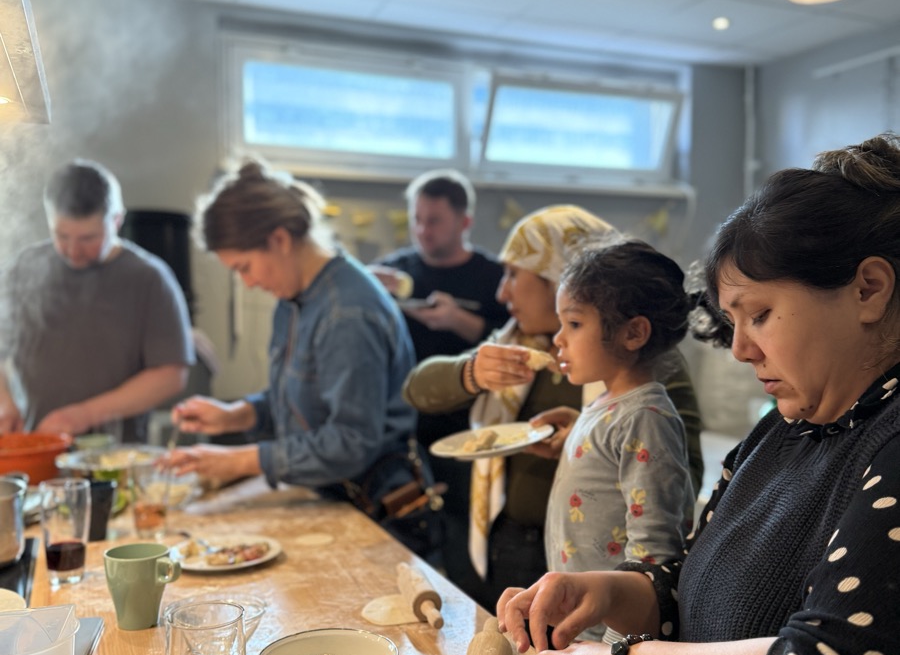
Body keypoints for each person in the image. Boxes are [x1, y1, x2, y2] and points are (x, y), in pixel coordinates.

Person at [498, 134, 900, 655]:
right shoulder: (785, 425)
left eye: (760, 314)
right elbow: (699, 592)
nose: (741, 348)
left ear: (870, 288)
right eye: (732, 319)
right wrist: (613, 593)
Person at [403, 205, 703, 609]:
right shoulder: (519, 341)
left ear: (555, 276)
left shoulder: (645, 371)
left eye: (513, 274)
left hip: (597, 573)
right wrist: (471, 372)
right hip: (521, 543)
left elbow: (671, 481)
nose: (501, 293)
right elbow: (417, 389)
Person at [167, 161, 422, 517]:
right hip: (329, 499)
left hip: (375, 509)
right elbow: (302, 399)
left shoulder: (347, 313)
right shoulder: (295, 298)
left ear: (280, 240)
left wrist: (239, 461)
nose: (249, 283)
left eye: (244, 267)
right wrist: (235, 416)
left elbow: (349, 444)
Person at [545, 238, 695, 639]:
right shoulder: (610, 404)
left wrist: (616, 651)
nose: (558, 338)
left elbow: (654, 550)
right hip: (580, 625)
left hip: (609, 638)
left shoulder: (646, 418)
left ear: (634, 333)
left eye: (574, 324)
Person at [371, 170, 506, 580]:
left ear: (464, 223)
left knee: (463, 539)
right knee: (403, 537)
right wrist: (367, 282)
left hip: (471, 429)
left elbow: (511, 347)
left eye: (434, 221)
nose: (422, 231)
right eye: (417, 219)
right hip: (404, 430)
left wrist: (458, 320)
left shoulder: (493, 276)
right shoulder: (396, 270)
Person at [0, 159, 193, 441]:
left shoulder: (149, 279)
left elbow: (171, 374)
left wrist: (84, 414)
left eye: (88, 238)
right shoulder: (24, 269)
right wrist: (4, 402)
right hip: (36, 444)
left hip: (117, 455)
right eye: (62, 236)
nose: (73, 251)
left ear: (117, 220)